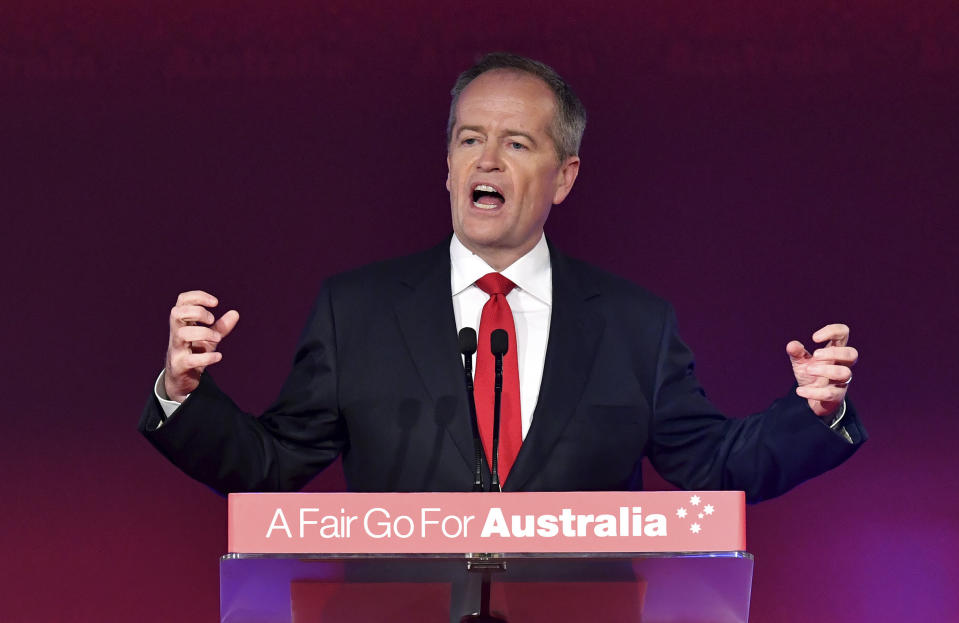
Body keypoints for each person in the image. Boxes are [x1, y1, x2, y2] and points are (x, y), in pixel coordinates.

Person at [140, 53, 865, 500]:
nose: (485, 161)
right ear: (448, 165)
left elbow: (712, 467)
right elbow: (269, 467)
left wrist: (812, 413)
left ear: (563, 178)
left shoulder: (632, 324)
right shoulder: (354, 312)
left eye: (515, 143)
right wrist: (182, 394)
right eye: (468, 139)